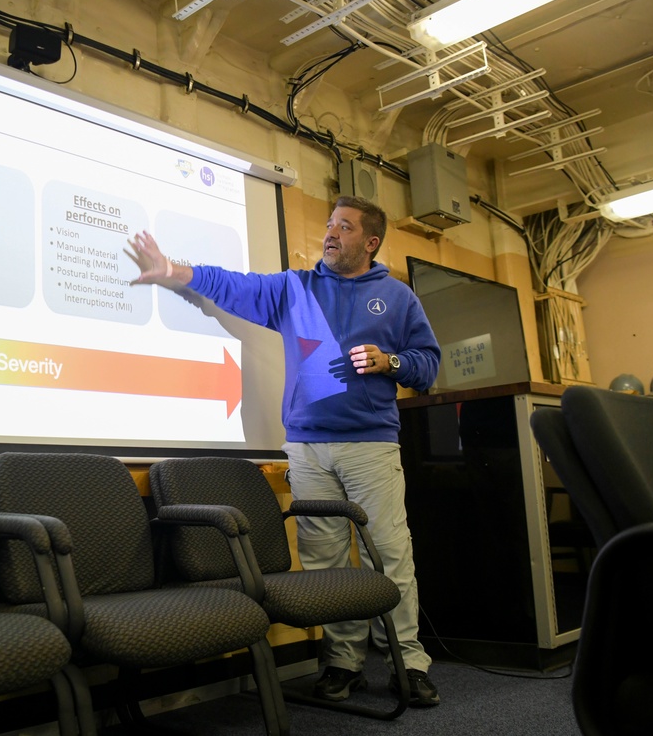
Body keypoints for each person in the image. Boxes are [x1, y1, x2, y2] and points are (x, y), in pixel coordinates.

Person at [126, 194, 441, 707]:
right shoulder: (296, 287)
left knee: (390, 554)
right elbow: (231, 285)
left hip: (371, 446)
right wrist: (171, 270)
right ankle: (343, 662)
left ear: (371, 241)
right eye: (330, 223)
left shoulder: (398, 297)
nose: (331, 232)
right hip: (307, 447)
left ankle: (408, 661)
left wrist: (392, 362)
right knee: (324, 562)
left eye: (344, 226)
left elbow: (428, 364)